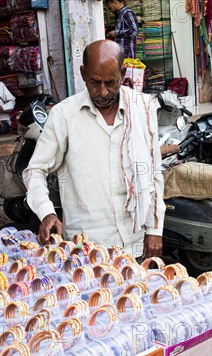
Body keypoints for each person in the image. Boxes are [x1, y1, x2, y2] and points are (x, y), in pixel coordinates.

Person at [24, 40, 165, 258]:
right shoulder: (64, 115)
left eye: (111, 82)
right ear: (82, 74)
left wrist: (155, 229)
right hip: (85, 249)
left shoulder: (143, 108)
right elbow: (35, 170)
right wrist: (46, 212)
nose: (102, 91)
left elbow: (155, 172)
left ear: (123, 73)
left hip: (135, 241)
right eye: (94, 82)